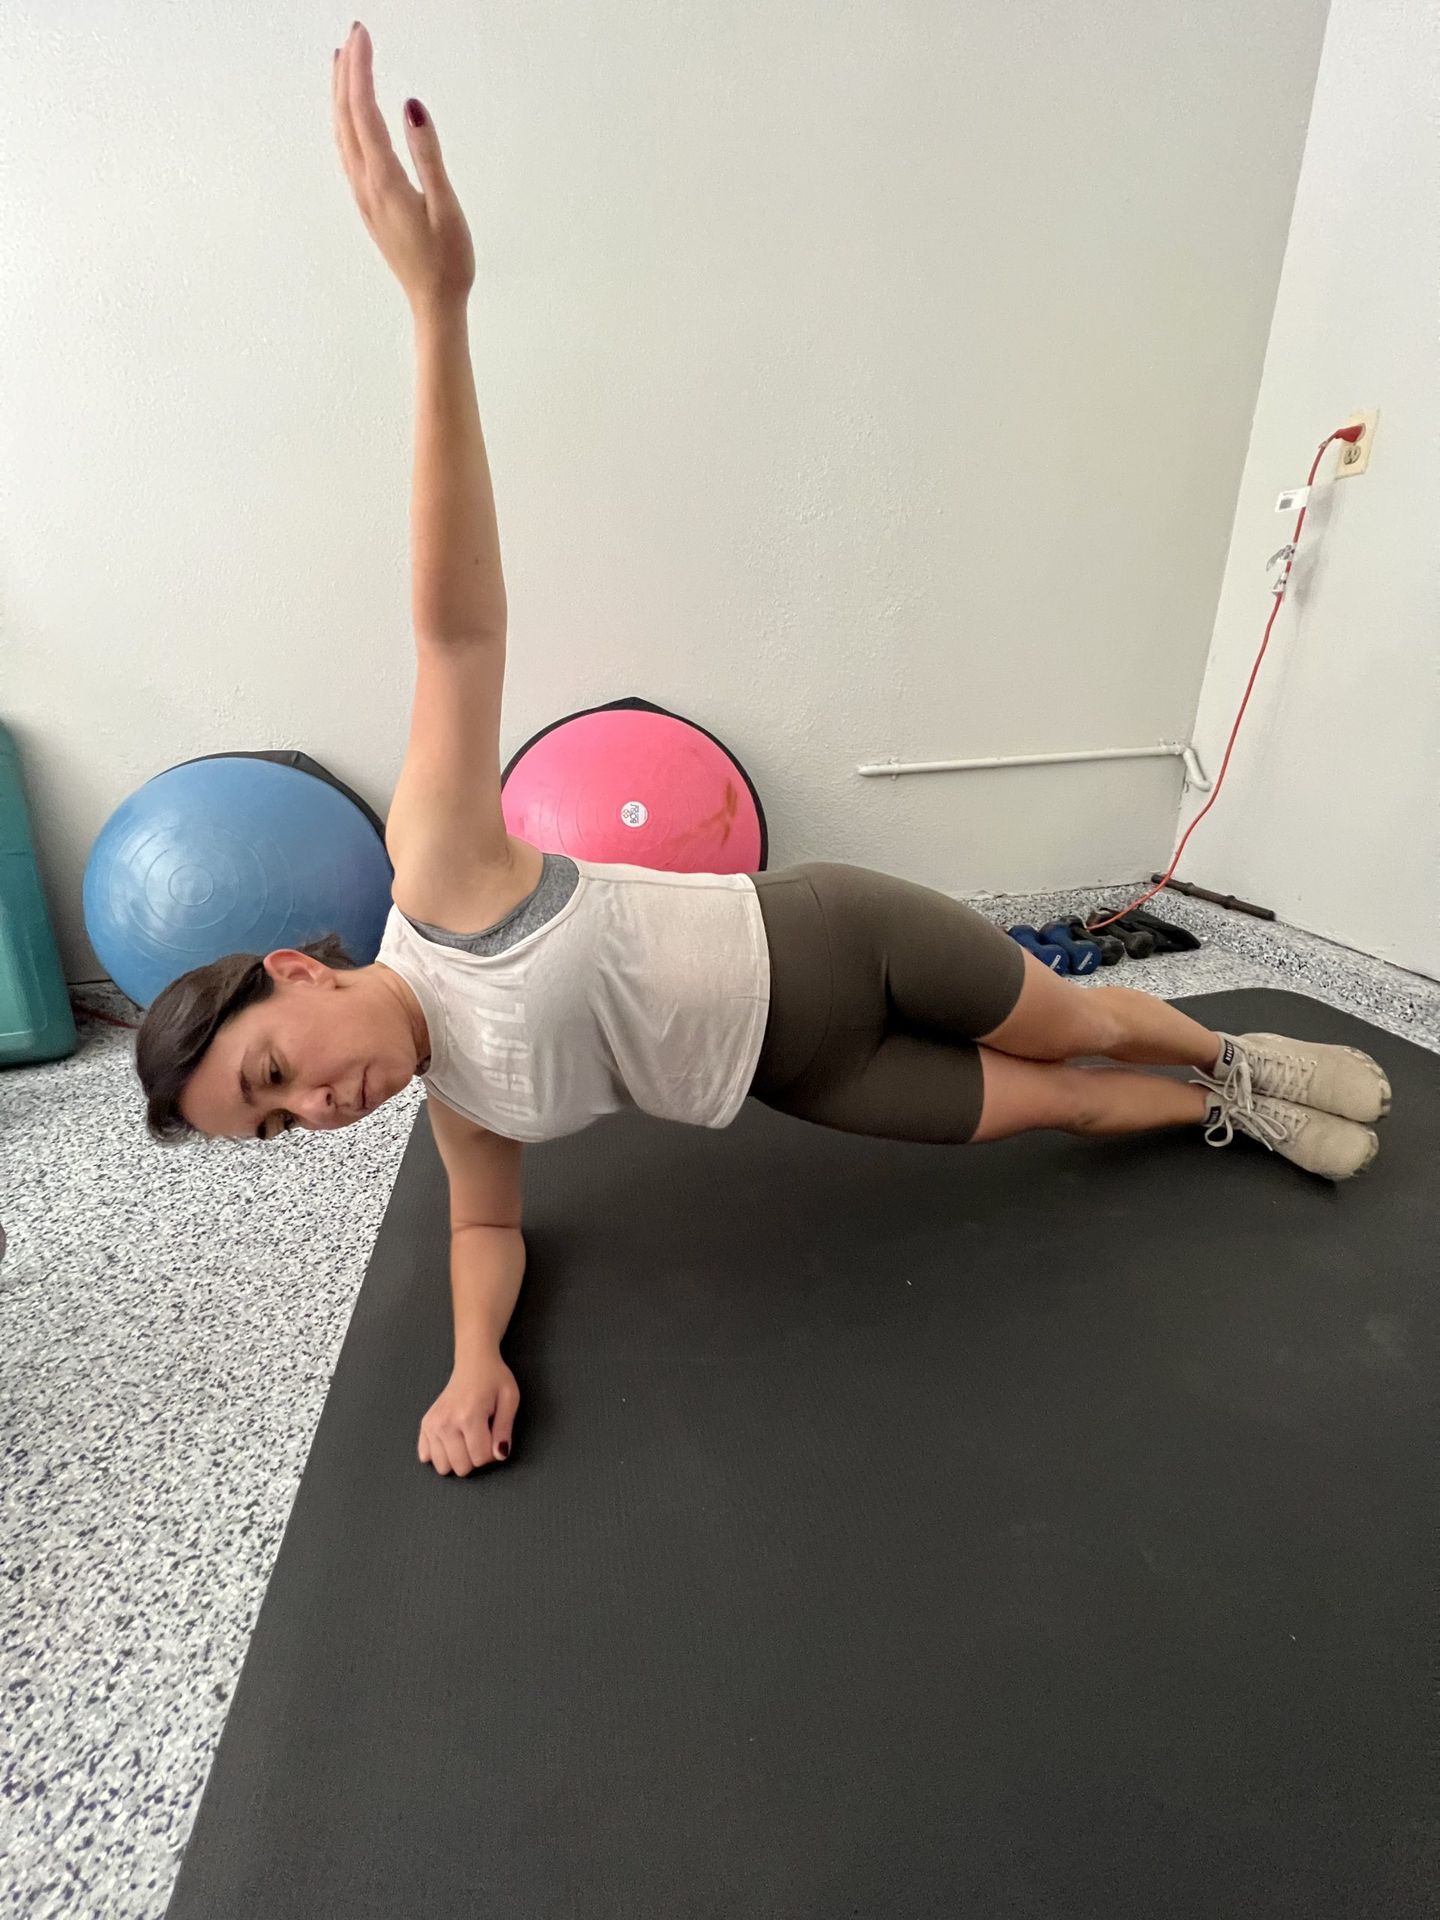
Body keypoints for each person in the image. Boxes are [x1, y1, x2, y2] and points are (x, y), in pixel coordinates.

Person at [134, 25, 1391, 1478]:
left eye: (273, 1071)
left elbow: (456, 633)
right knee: (1046, 1108)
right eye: (279, 1127)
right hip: (803, 1071)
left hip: (834, 937)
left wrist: (437, 312)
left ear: (293, 976)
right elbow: (485, 1224)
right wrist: (476, 1360)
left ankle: (1240, 1054)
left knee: (1081, 1025)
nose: (314, 1106)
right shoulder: (460, 1105)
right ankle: (1226, 1111)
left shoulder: (441, 879)